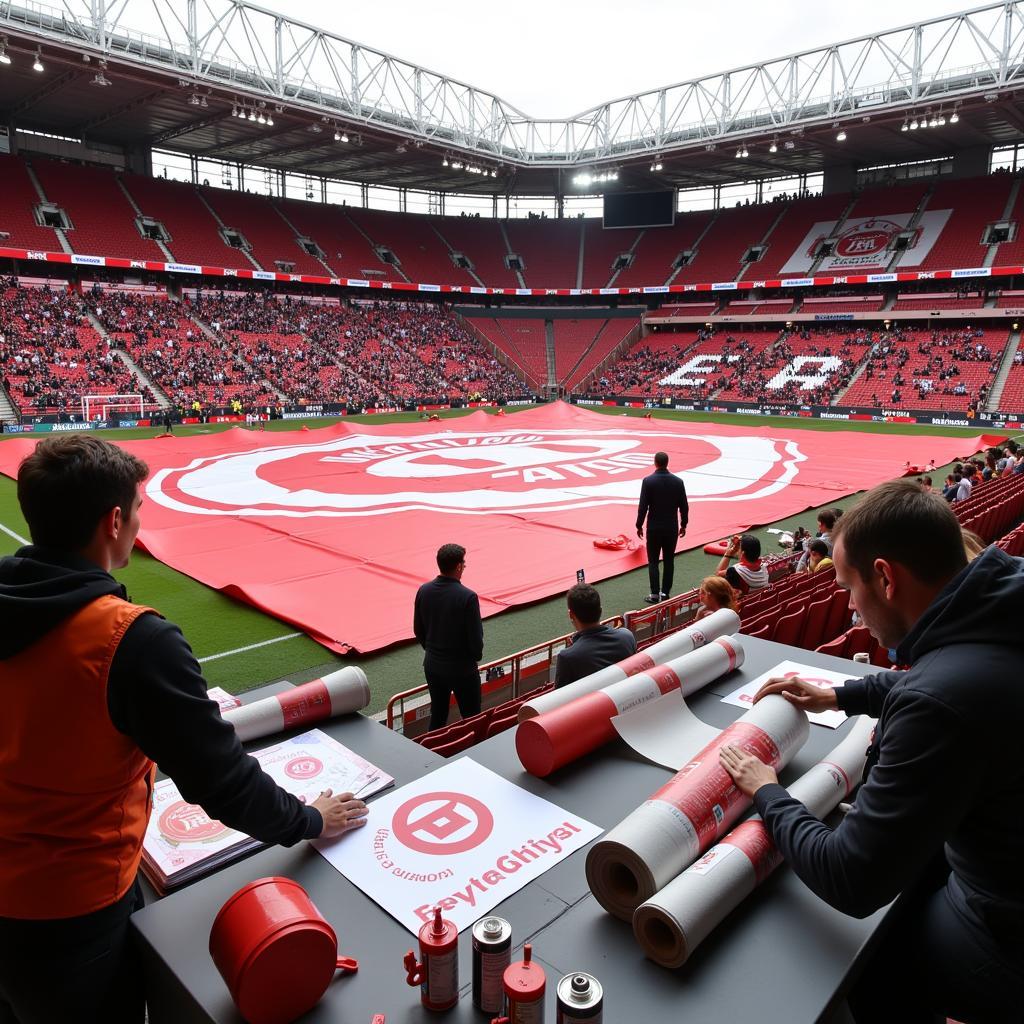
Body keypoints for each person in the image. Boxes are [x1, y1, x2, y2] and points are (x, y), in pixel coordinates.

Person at [0, 436, 368, 1024]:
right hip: (73, 910)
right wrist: (311, 819)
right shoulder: (131, 640)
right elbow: (221, 781)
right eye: (138, 508)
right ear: (114, 521)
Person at [719, 480, 1024, 1023]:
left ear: (885, 577)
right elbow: (944, 674)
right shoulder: (1001, 606)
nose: (851, 605)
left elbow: (851, 880)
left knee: (866, 954)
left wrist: (767, 789)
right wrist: (841, 692)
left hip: (1005, 937)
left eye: (848, 588)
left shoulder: (940, 703)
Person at [413, 543, 484, 730]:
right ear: (459, 566)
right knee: (472, 718)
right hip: (463, 669)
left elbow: (418, 630)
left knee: (438, 714)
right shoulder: (468, 597)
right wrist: (473, 658)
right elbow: (475, 640)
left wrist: (432, 651)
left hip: (433, 666)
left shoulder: (424, 590)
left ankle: (433, 754)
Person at [553, 584, 636, 687]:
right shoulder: (627, 637)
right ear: (600, 610)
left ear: (571, 615)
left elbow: (560, 697)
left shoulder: (567, 657)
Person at [635, 451, 689, 604]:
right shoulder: (678, 482)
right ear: (667, 463)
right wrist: (684, 524)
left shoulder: (648, 481)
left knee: (653, 561)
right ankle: (665, 593)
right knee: (669, 560)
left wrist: (638, 525)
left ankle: (654, 594)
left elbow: (643, 507)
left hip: (653, 528)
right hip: (671, 528)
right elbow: (684, 507)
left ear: (655, 462)